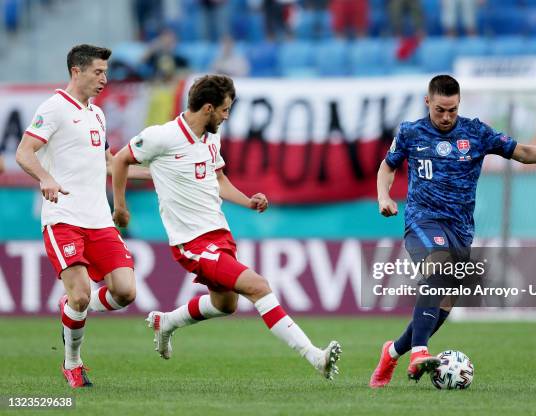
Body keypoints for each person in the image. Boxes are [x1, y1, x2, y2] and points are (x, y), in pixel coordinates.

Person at [111, 74, 342, 380]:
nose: (226, 116)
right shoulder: (161, 136)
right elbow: (119, 161)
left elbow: (218, 181)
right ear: (208, 108)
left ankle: (166, 322)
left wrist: (248, 201)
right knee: (258, 286)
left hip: (219, 234)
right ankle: (314, 356)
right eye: (224, 109)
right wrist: (121, 208)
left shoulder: (210, 138)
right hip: (191, 242)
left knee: (225, 304)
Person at [369, 75, 536, 388]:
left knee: (445, 303)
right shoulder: (411, 132)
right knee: (436, 267)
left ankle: (392, 351)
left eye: (452, 109)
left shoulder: (476, 131)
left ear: (459, 103)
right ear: (428, 102)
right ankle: (419, 353)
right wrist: (384, 197)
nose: (447, 116)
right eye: (440, 110)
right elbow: (387, 166)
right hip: (423, 221)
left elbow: (519, 152)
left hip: (461, 230)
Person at [15, 44, 150, 388]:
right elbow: (23, 152)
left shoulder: (97, 114)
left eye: (106, 71)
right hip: (64, 218)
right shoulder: (55, 107)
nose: (105, 78)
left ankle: (71, 310)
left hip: (99, 220)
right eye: (98, 72)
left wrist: (154, 173)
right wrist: (45, 178)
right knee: (80, 295)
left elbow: (109, 163)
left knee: (125, 293)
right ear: (77, 71)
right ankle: (72, 363)